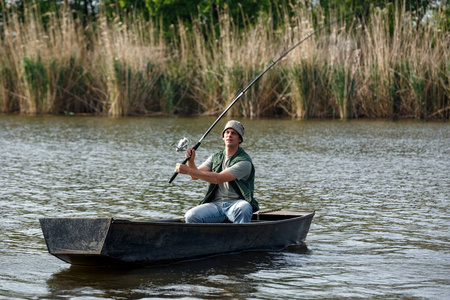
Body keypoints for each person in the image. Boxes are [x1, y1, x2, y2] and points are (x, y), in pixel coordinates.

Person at [174, 120, 259, 223]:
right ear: (223, 137)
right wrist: (191, 162)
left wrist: (187, 170)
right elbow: (194, 176)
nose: (229, 135)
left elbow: (218, 178)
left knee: (244, 208)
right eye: (227, 132)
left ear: (240, 139)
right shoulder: (216, 157)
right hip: (215, 205)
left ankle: (241, 238)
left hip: (236, 204)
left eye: (234, 133)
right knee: (191, 216)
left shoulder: (244, 161)